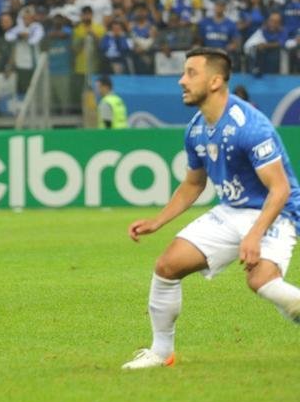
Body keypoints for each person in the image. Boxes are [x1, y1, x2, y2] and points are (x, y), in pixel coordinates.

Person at [123, 47, 300, 370]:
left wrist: (254, 235)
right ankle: (161, 353)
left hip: (276, 211)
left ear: (216, 81)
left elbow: (280, 189)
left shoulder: (250, 126)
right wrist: (157, 221)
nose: (182, 80)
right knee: (167, 267)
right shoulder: (196, 128)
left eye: (191, 73)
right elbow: (194, 184)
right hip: (232, 210)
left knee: (261, 281)